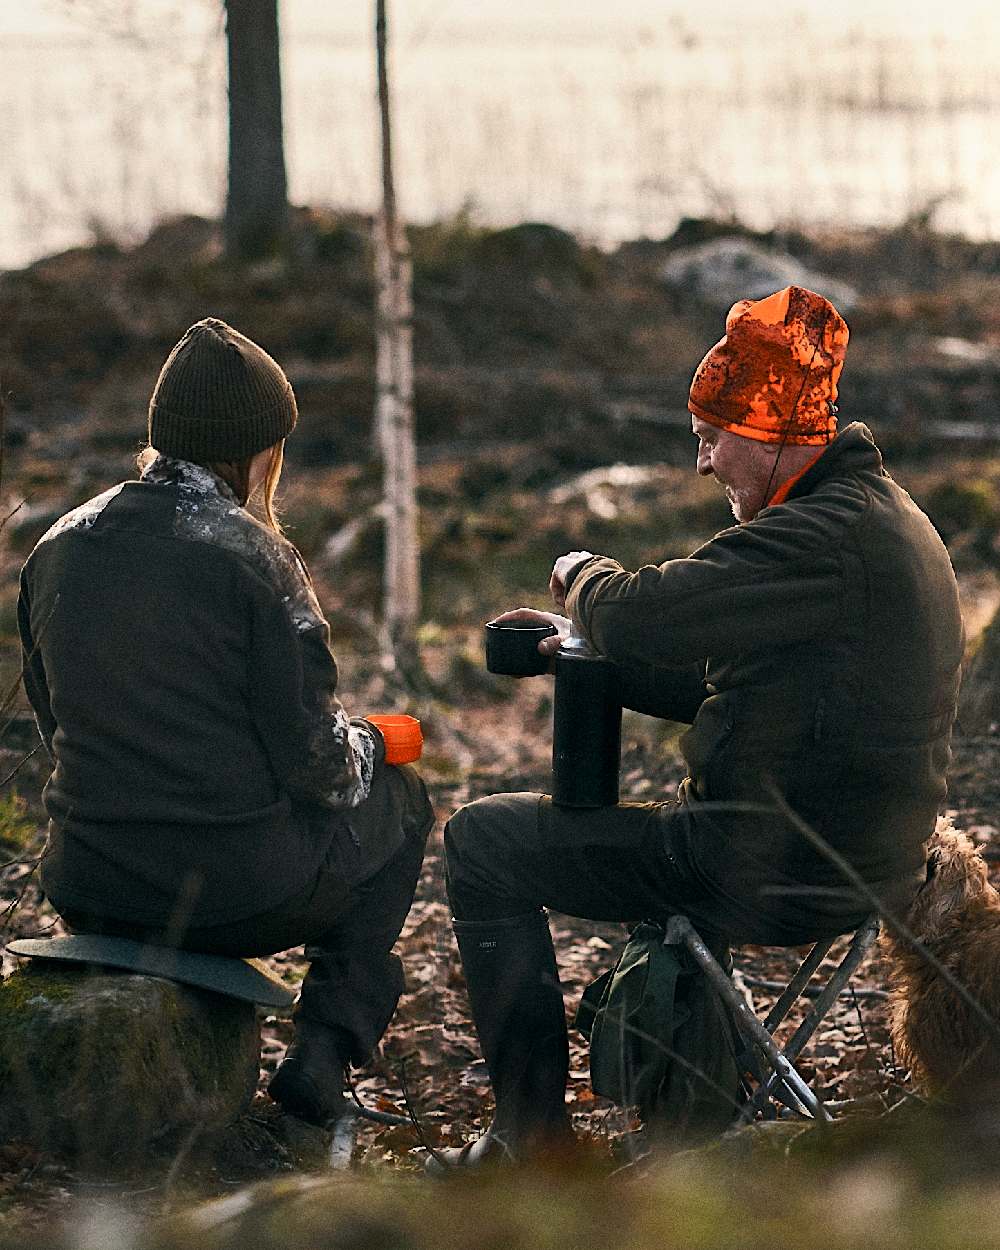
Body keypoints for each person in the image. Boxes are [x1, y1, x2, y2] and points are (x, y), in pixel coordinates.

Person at [438, 285, 964, 1166]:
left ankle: (529, 1145)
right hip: (861, 859)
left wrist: (586, 579)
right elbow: (730, 682)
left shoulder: (818, 538)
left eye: (711, 437)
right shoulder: (884, 522)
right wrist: (575, 648)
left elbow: (645, 615)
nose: (702, 462)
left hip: (766, 863)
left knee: (481, 843)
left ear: (769, 431)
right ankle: (693, 1122)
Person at [17, 318, 434, 1127]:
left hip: (90, 884)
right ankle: (321, 1054)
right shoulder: (254, 559)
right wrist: (380, 741)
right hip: (232, 896)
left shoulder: (59, 545)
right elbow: (318, 763)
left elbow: (53, 724)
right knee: (403, 802)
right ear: (255, 450)